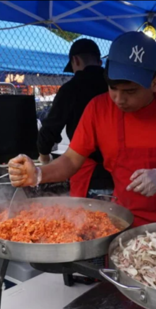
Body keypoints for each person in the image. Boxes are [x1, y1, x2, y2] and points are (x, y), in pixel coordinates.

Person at [8, 32, 156, 227]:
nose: (119, 99)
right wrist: (38, 173)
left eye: (130, 91)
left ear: (155, 83)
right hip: (121, 219)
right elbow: (71, 159)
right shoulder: (98, 108)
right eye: (112, 88)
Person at [37, 39, 114, 198]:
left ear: (75, 60)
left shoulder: (71, 89)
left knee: (86, 217)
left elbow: (51, 128)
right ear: (99, 62)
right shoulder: (114, 86)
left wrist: (44, 156)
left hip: (85, 168)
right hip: (120, 171)